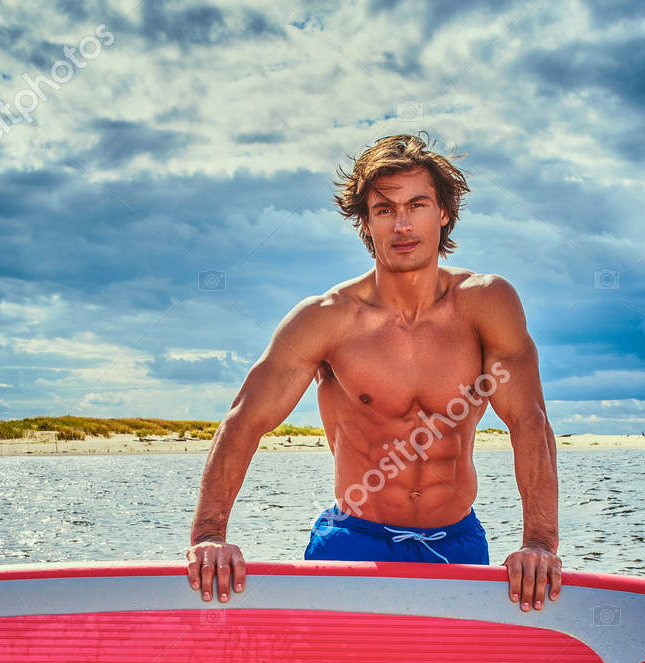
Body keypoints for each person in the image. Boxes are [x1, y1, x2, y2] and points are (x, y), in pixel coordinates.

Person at [185, 132, 561, 613]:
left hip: (456, 546)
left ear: (443, 212)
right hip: (353, 543)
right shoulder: (326, 317)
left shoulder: (487, 304)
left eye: (417, 205)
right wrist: (210, 535)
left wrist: (540, 545)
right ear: (366, 220)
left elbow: (530, 423)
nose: (402, 224)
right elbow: (245, 420)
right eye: (385, 209)